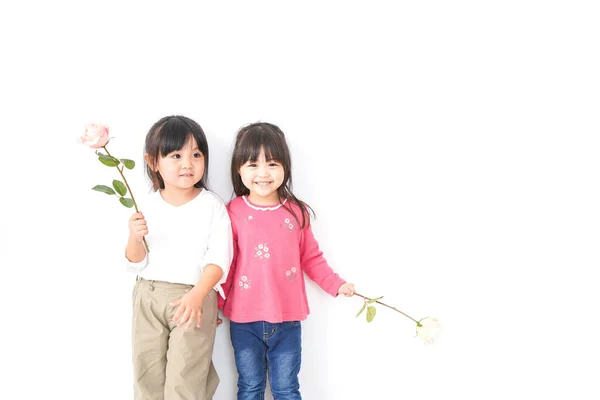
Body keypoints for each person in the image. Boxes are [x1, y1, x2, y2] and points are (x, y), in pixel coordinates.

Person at [219, 122, 355, 400]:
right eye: (253, 164)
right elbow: (226, 263)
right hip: (244, 321)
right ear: (239, 169)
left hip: (288, 319)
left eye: (271, 163)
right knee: (250, 387)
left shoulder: (296, 212)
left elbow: (311, 257)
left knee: (287, 389)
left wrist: (336, 284)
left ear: (285, 167)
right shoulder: (233, 211)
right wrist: (216, 305)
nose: (263, 173)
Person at [126, 115, 233, 400]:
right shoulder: (145, 204)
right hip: (148, 294)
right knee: (146, 373)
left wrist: (198, 295)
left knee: (186, 377)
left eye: (196, 154)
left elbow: (219, 260)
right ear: (153, 162)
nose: (188, 163)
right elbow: (135, 262)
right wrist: (134, 236)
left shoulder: (211, 205)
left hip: (193, 296)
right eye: (176, 155)